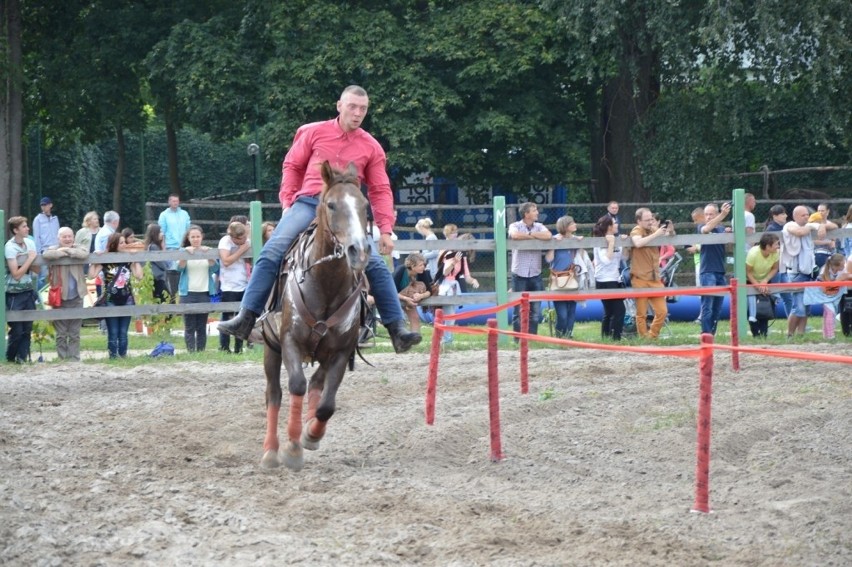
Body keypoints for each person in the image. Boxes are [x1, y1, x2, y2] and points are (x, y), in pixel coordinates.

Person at [217, 85, 421, 354]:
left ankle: (397, 330)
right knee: (272, 251)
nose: (358, 113)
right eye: (352, 107)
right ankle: (246, 317)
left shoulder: (371, 146)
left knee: (374, 263)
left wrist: (385, 229)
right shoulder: (312, 132)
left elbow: (381, 189)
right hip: (309, 202)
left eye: (363, 108)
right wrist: (288, 202)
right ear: (339, 106)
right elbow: (292, 165)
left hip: (345, 210)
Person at [781, 205, 834, 338]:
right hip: (796, 273)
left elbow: (834, 227)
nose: (806, 217)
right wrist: (813, 226)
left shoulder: (809, 226)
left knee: (806, 307)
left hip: (809, 272)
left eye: (807, 215)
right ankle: (790, 335)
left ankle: (800, 335)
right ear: (795, 216)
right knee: (798, 308)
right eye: (803, 215)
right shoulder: (789, 225)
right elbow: (800, 232)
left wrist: (821, 223)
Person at [89, 232, 143, 358]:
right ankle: (113, 356)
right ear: (114, 244)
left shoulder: (128, 259)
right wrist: (94, 260)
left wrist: (135, 259)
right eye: (121, 243)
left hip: (127, 298)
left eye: (125, 242)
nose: (124, 245)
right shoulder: (106, 259)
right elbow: (92, 275)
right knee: (113, 331)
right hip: (110, 299)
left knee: (123, 332)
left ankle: (123, 356)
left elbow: (139, 275)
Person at [42, 227, 88, 360]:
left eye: (70, 236)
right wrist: (61, 251)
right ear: (58, 238)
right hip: (59, 298)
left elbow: (83, 254)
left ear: (74, 237)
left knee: (75, 332)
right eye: (64, 237)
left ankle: (74, 358)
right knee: (61, 333)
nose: (68, 239)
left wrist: (65, 251)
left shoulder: (79, 248)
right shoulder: (53, 248)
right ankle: (62, 359)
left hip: (77, 296)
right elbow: (47, 255)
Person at [508, 202, 552, 337]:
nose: (537, 212)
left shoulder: (539, 226)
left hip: (535, 273)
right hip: (519, 273)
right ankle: (518, 338)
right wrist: (533, 236)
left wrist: (530, 234)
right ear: (526, 214)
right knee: (518, 309)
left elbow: (548, 235)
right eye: (534, 210)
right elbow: (515, 235)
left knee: (536, 310)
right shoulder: (515, 225)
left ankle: (532, 337)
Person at [630, 207, 670, 339]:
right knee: (641, 313)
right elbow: (638, 243)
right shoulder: (636, 230)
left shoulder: (653, 229)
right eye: (647, 220)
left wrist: (671, 229)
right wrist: (657, 234)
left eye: (651, 219)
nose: (650, 222)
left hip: (654, 278)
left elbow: (669, 237)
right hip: (640, 278)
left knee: (662, 311)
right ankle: (643, 337)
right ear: (639, 221)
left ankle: (652, 335)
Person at [5, 216, 40, 363]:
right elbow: (16, 275)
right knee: (17, 329)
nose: (27, 228)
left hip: (28, 291)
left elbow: (37, 270)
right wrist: (29, 259)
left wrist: (27, 259)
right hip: (14, 294)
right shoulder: (10, 247)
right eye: (24, 226)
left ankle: (22, 358)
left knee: (27, 328)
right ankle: (10, 357)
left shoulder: (30, 243)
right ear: (15, 230)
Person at [178, 225, 218, 353]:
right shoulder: (183, 250)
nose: (195, 239)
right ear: (188, 238)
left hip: (204, 292)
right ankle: (191, 352)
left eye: (198, 236)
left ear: (202, 237)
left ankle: (201, 351)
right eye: (193, 237)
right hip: (187, 293)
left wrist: (208, 255)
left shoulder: (208, 250)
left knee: (201, 326)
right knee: (189, 326)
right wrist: (185, 254)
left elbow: (215, 268)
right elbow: (178, 268)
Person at [545, 216, 583, 338]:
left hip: (572, 278)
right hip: (558, 280)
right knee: (562, 314)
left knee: (572, 311)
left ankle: (569, 336)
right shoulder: (556, 239)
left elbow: (580, 257)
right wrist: (554, 245)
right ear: (565, 226)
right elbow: (548, 259)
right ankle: (559, 335)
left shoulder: (575, 239)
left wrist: (580, 243)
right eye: (572, 223)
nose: (575, 224)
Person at [698, 202, 732, 335]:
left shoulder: (721, 229)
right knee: (708, 306)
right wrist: (723, 215)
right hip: (707, 271)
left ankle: (712, 333)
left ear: (716, 214)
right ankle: (705, 333)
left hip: (720, 271)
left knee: (717, 307)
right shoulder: (701, 226)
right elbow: (706, 230)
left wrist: (728, 233)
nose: (708, 217)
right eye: (706, 214)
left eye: (711, 214)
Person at [218, 221, 251, 353]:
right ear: (232, 237)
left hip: (243, 283)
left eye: (244, 238)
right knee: (227, 316)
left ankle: (239, 347)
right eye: (239, 239)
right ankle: (224, 346)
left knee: (241, 317)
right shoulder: (225, 241)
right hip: (228, 285)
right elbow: (226, 261)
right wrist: (242, 250)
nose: (242, 241)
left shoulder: (247, 241)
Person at [592, 215, 625, 340]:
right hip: (603, 280)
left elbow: (623, 258)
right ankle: (615, 338)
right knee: (619, 310)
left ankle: (606, 337)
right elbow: (606, 260)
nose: (617, 225)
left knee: (610, 311)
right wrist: (611, 243)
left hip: (615, 278)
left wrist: (624, 243)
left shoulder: (616, 239)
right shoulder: (600, 241)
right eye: (615, 223)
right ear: (610, 227)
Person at [803, 253, 847, 340]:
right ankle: (831, 336)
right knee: (831, 312)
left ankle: (826, 335)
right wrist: (838, 281)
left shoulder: (842, 271)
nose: (844, 266)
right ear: (835, 266)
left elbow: (847, 276)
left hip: (834, 295)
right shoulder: (824, 272)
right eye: (842, 264)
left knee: (829, 314)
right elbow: (825, 290)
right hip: (823, 295)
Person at [745, 233, 781, 338]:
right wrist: (757, 285)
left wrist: (765, 281)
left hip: (765, 280)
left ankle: (764, 334)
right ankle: (755, 333)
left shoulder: (775, 253)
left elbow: (775, 268)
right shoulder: (753, 254)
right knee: (752, 307)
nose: (778, 246)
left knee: (765, 306)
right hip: (750, 280)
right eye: (776, 244)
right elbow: (748, 272)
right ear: (768, 246)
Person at [158, 194, 191, 300]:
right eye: (173, 201)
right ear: (169, 202)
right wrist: (163, 249)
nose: (175, 203)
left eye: (177, 201)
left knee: (183, 271)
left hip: (183, 247)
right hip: (170, 247)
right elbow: (162, 232)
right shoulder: (164, 215)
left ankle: (183, 296)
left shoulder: (184, 214)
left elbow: (188, 230)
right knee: (172, 272)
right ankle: (172, 297)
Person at [393, 252, 432, 334]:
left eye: (423, 264)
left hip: (410, 299)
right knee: (399, 320)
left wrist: (421, 296)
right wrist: (405, 298)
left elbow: (429, 291)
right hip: (396, 298)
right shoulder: (400, 271)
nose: (423, 267)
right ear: (412, 266)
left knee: (415, 317)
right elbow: (391, 291)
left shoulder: (422, 272)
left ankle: (415, 339)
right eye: (420, 265)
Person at [33, 197, 60, 290]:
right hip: (44, 251)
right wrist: (38, 252)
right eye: (42, 205)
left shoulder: (55, 219)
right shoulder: (38, 219)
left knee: (56, 274)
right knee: (43, 276)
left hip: (56, 250)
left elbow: (58, 235)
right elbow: (36, 237)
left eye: (45, 204)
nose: (43, 207)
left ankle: (54, 295)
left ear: (50, 205)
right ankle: (40, 298)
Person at [143, 223, 170, 303]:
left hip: (158, 278)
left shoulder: (154, 246)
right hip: (158, 279)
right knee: (166, 301)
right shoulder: (153, 247)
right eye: (160, 232)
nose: (162, 234)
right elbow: (164, 265)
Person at [812, 204, 836, 269]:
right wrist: (828, 242)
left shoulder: (830, 224)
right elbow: (813, 241)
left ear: (827, 212)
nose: (820, 213)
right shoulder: (813, 223)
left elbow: (834, 238)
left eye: (822, 211)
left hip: (830, 253)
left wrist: (833, 241)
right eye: (818, 211)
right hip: (817, 252)